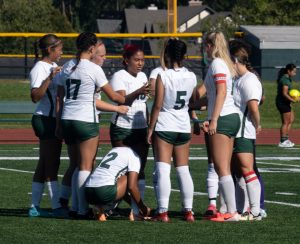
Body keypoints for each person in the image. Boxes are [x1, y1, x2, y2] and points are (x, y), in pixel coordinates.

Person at [57, 32, 149, 219]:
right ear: (91, 49)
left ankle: (75, 207)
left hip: (67, 117)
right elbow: (115, 97)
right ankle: (83, 210)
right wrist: (124, 102)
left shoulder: (67, 66)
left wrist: (59, 122)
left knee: (75, 164)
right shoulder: (92, 68)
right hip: (85, 119)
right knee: (85, 165)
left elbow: (60, 94)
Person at [147, 38, 197, 222]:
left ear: (167, 54)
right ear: (184, 56)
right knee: (183, 170)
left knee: (163, 169)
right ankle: (189, 211)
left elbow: (157, 105)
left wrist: (150, 128)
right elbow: (193, 101)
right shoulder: (191, 76)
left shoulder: (163, 75)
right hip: (183, 126)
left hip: (165, 125)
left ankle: (162, 212)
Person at [197, 31, 240, 222]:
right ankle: (226, 209)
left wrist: (213, 119)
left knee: (221, 168)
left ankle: (232, 211)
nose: (204, 49)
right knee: (225, 168)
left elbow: (221, 92)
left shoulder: (217, 64)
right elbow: (206, 94)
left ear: (210, 45)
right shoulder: (221, 64)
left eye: (205, 45)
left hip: (223, 117)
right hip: (229, 116)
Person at [109, 44, 150, 220]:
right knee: (122, 170)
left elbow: (144, 104)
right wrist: (139, 91)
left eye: (142, 60)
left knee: (139, 170)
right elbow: (122, 100)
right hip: (122, 127)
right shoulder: (119, 76)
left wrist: (149, 126)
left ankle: (135, 210)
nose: (140, 63)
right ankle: (109, 204)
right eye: (136, 60)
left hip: (140, 127)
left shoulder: (143, 76)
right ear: (126, 60)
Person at [28, 34, 65, 217]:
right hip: (45, 119)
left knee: (43, 165)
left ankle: (34, 206)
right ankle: (56, 206)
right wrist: (49, 78)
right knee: (52, 164)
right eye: (58, 48)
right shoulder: (40, 68)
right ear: (50, 50)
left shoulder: (52, 66)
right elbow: (35, 96)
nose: (61, 52)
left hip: (50, 119)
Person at [229, 40, 263, 221]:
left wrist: (257, 124)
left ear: (235, 60)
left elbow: (253, 106)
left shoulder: (249, 79)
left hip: (243, 131)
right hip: (237, 131)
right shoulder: (239, 79)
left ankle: (256, 211)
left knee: (247, 169)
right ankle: (243, 210)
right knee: (238, 172)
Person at [85, 147, 151, 221]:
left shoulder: (115, 150)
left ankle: (99, 208)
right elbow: (131, 187)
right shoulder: (134, 157)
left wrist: (133, 204)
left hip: (88, 192)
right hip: (104, 191)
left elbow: (122, 192)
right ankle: (105, 209)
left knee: (116, 179)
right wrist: (143, 208)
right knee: (129, 178)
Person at [276, 63, 298, 148]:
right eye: (294, 71)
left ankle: (286, 138)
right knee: (285, 122)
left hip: (286, 102)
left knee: (291, 119)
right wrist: (293, 100)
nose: (295, 73)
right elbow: (284, 93)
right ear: (289, 71)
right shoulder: (285, 80)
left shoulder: (288, 79)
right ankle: (283, 141)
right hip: (282, 102)